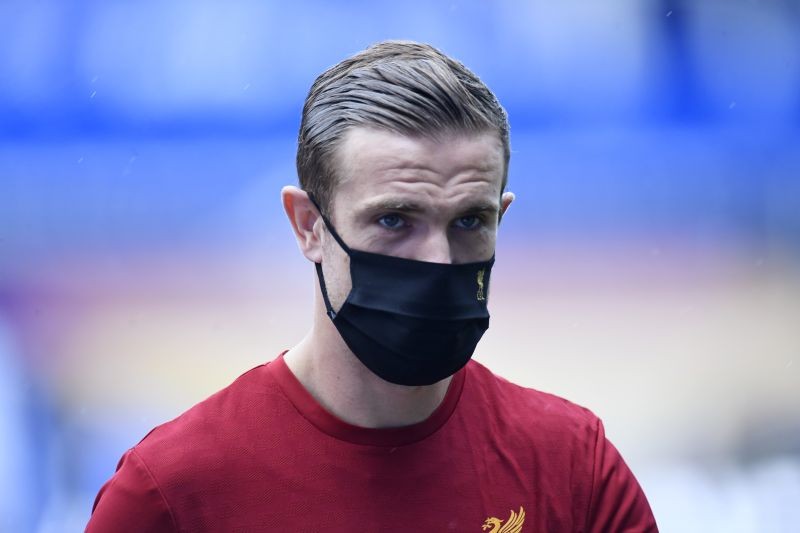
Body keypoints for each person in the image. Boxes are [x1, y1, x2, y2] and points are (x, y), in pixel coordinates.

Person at [87, 40, 658, 532]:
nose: (437, 261)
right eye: (394, 221)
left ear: (501, 218)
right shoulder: (173, 492)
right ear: (308, 225)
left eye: (469, 222)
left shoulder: (572, 468)